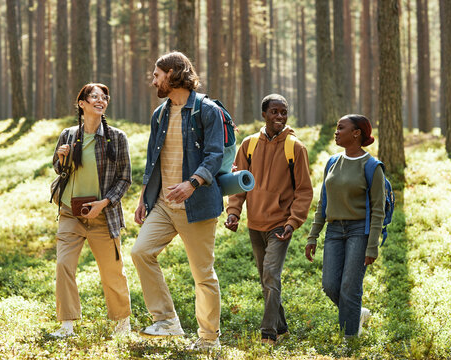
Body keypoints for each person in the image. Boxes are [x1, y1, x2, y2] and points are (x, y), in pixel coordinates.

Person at [131, 51, 224, 350]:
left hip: (196, 205)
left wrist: (192, 183)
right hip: (162, 204)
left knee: (203, 274)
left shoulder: (207, 110)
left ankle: (209, 339)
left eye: (158, 74)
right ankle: (167, 320)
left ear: (173, 74)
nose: (154, 80)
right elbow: (152, 161)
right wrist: (144, 197)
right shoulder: (159, 114)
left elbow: (214, 154)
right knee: (141, 252)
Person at [224, 94, 313, 345]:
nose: (280, 117)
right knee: (266, 278)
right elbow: (238, 183)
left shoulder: (295, 147)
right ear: (264, 114)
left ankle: (268, 333)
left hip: (280, 225)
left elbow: (304, 191)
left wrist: (293, 221)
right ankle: (282, 327)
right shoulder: (249, 145)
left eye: (284, 112)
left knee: (271, 275)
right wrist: (233, 212)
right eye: (274, 112)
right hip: (255, 224)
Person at [51, 83, 132, 337]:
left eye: (104, 97)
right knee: (64, 265)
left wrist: (104, 203)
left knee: (112, 271)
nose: (100, 100)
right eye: (94, 96)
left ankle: (121, 324)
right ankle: (67, 325)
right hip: (69, 213)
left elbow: (125, 178)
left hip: (103, 215)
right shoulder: (68, 134)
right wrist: (61, 159)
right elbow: (59, 169)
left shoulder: (117, 137)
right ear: (82, 104)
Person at [305, 114, 385, 337]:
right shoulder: (332, 162)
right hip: (333, 231)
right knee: (330, 285)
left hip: (359, 231)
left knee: (350, 287)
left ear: (356, 133)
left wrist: (372, 246)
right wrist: (313, 235)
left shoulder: (372, 166)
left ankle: (349, 339)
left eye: (341, 128)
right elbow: (323, 201)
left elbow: (378, 210)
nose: (336, 131)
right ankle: (357, 313)